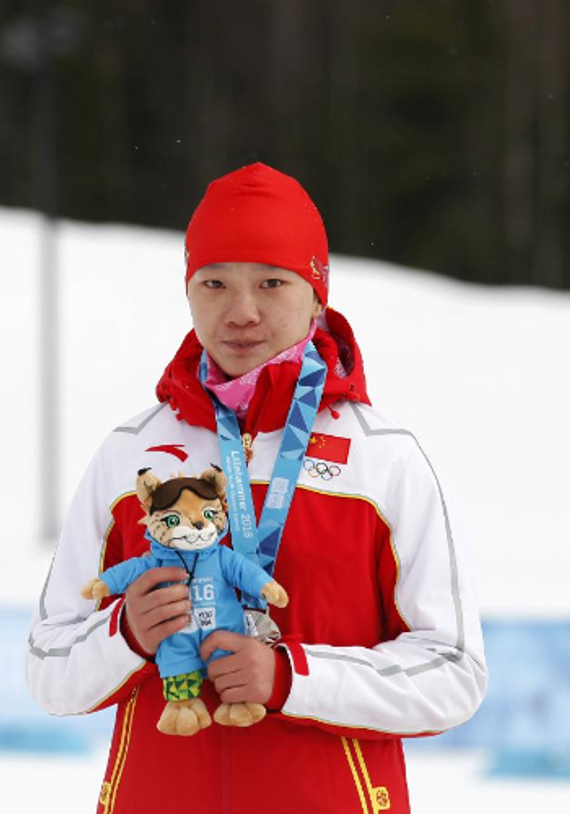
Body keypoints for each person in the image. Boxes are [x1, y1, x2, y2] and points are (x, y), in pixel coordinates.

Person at [27, 162, 487, 814]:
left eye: (272, 283)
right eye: (214, 283)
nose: (242, 312)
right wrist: (125, 636)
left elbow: (454, 673)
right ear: (189, 293)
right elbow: (48, 669)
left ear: (317, 296)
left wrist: (291, 677)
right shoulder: (130, 455)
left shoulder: (384, 460)